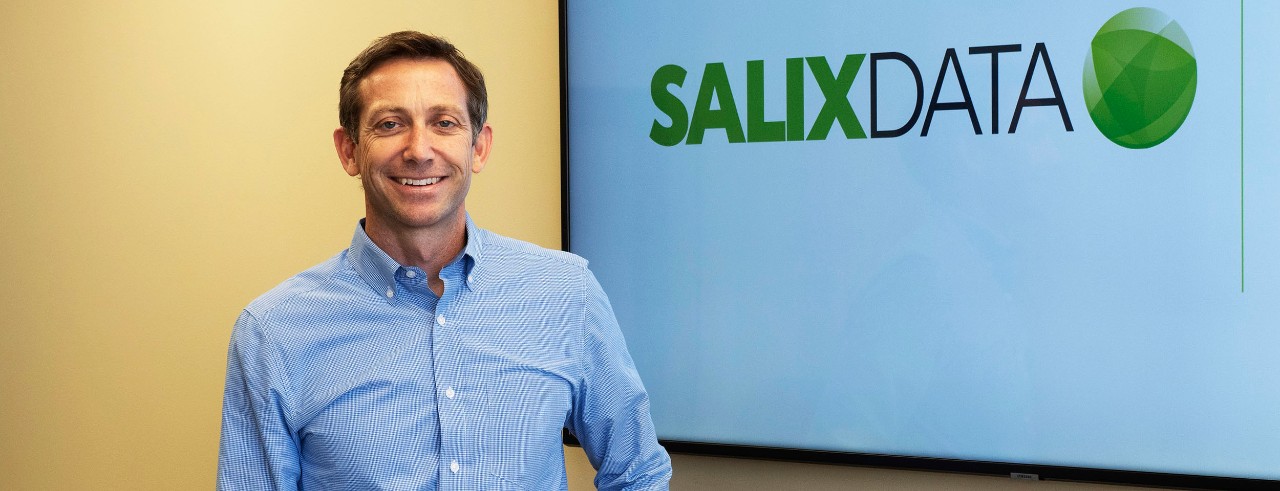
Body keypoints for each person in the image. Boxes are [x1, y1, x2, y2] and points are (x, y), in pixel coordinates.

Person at [217, 31, 672, 490]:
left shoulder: (566, 291)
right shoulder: (273, 333)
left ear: (479, 147)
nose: (419, 150)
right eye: (390, 124)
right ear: (349, 150)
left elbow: (638, 472)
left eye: (445, 123)